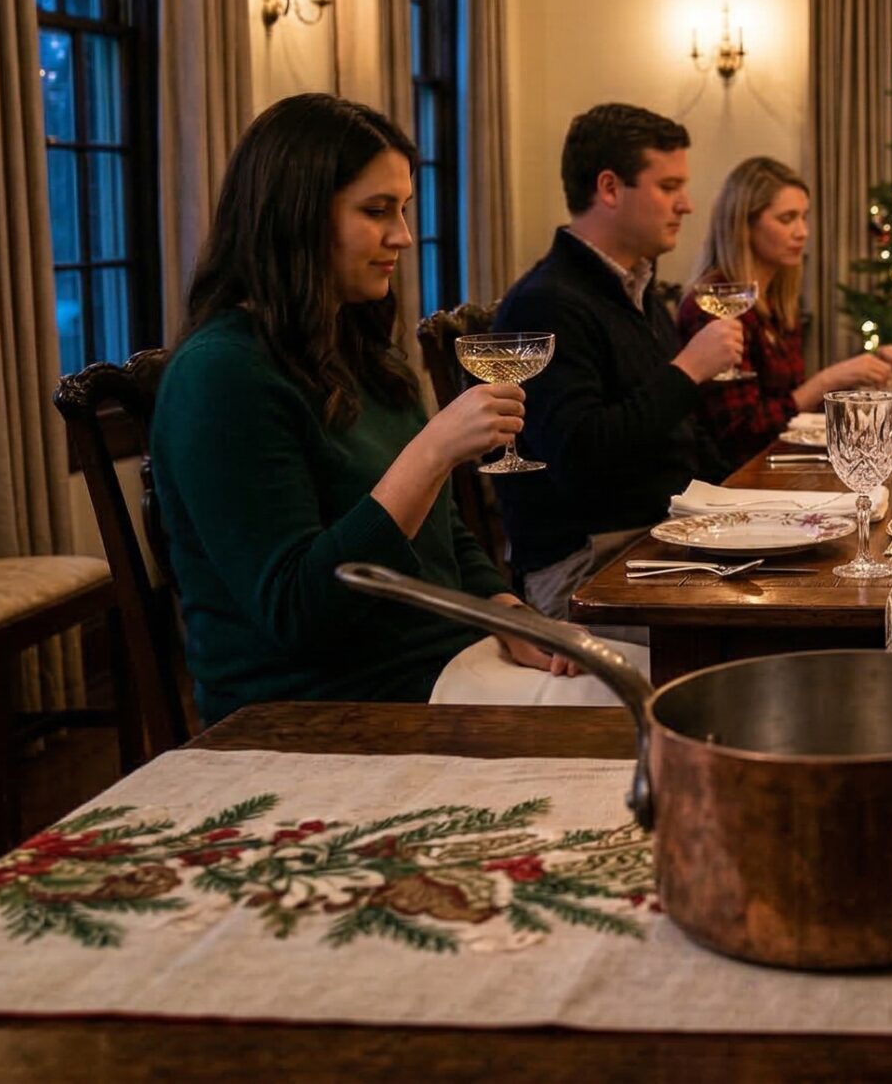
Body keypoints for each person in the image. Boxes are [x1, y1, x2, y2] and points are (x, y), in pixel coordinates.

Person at [152, 94, 583, 725]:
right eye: (377, 211)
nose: (403, 236)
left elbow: (442, 534)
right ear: (294, 215)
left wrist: (508, 613)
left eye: (403, 210)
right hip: (323, 709)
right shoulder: (221, 375)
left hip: (445, 664)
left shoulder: (355, 349)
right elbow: (298, 614)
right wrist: (432, 451)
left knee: (665, 706)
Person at [494, 104, 748, 617]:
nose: (687, 205)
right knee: (766, 637)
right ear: (609, 188)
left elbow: (680, 435)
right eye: (669, 186)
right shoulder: (547, 302)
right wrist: (689, 370)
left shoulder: (636, 291)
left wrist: (740, 501)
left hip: (656, 537)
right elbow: (579, 457)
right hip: (586, 568)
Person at [674, 156, 892, 452]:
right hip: (736, 481)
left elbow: (785, 406)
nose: (803, 232)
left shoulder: (776, 301)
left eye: (803, 217)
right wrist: (827, 380)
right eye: (787, 219)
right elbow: (741, 433)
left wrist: (862, 369)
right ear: (744, 224)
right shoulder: (714, 306)